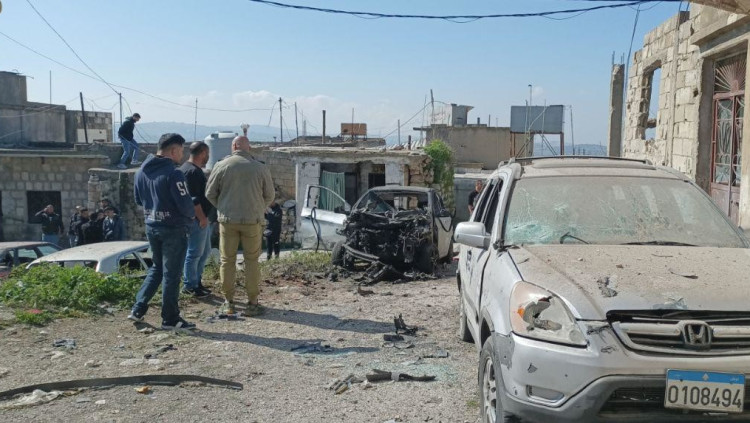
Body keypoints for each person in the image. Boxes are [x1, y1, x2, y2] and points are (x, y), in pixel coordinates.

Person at [128, 133, 196, 330]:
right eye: (181, 151)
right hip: (174, 228)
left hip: (152, 225)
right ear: (173, 150)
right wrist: (191, 216)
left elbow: (138, 200)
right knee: (172, 274)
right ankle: (170, 318)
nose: (182, 155)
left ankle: (138, 308)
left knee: (157, 268)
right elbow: (185, 204)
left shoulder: (141, 172)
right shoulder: (174, 174)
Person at [206, 136, 274, 316]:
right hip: (252, 221)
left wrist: (223, 208)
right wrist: (257, 208)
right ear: (248, 148)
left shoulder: (221, 165)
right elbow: (270, 195)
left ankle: (228, 302)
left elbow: (210, 193)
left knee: (227, 260)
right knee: (252, 261)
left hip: (228, 221)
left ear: (234, 146)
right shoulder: (260, 167)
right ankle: (252, 303)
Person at [179, 141, 213, 298]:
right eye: (207, 153)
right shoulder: (192, 172)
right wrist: (202, 218)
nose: (208, 157)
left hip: (199, 219)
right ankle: (190, 285)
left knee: (204, 252)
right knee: (194, 253)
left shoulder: (186, 169)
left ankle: (197, 282)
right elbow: (193, 199)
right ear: (203, 153)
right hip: (197, 219)